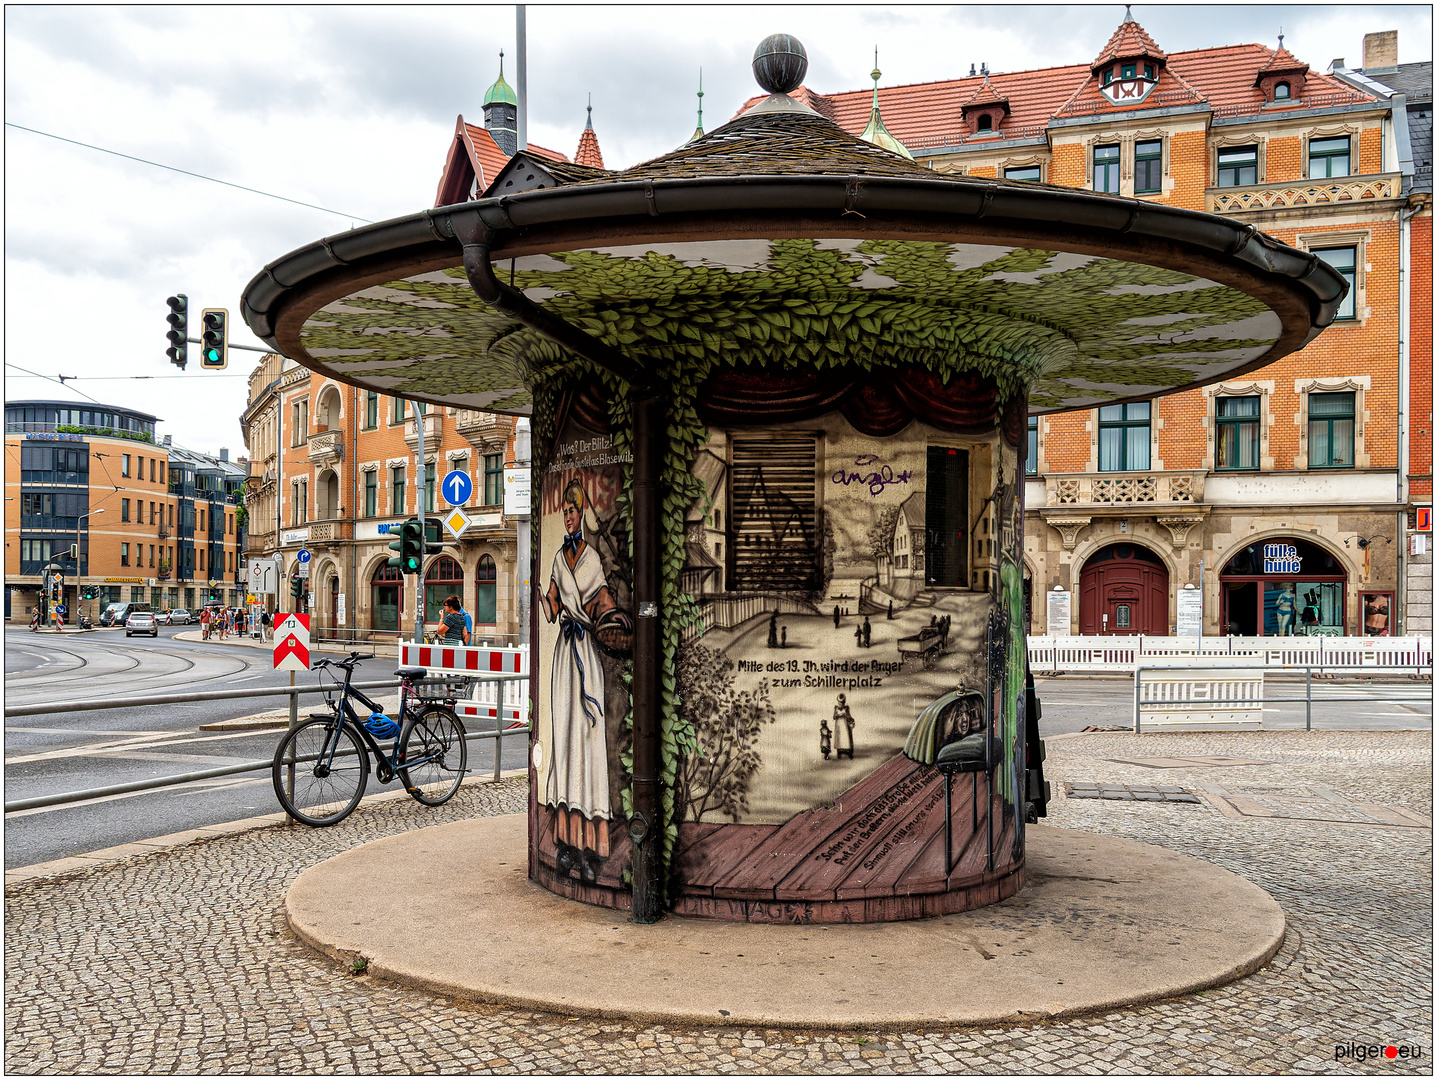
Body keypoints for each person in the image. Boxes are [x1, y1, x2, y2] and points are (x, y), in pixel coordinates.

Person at [541, 479, 632, 886]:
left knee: (589, 743)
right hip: (565, 656)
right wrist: (544, 598)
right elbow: (552, 606)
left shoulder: (592, 557)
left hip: (586, 657)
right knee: (564, 742)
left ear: (582, 515)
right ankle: (566, 845)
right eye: (564, 512)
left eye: (573, 511)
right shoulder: (559, 558)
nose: (568, 517)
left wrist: (610, 618)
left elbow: (603, 605)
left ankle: (592, 851)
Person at [832, 693, 855, 759]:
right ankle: (839, 751)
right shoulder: (836, 708)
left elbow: (849, 715)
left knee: (846, 736)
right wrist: (837, 716)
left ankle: (848, 751)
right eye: (839, 702)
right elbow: (834, 717)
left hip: (844, 724)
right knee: (839, 737)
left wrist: (848, 718)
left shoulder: (846, 708)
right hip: (838, 724)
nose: (840, 703)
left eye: (841, 702)